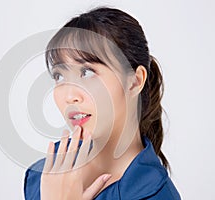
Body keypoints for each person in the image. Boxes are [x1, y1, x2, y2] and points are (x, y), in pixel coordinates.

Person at [24, 6, 181, 200]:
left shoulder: (156, 194)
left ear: (135, 81)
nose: (70, 96)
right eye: (59, 76)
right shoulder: (47, 176)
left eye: (87, 72)